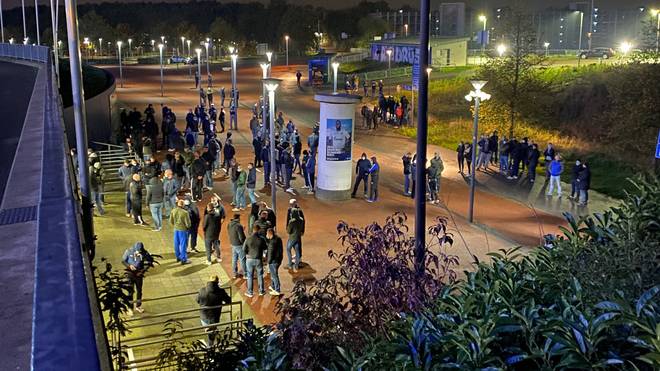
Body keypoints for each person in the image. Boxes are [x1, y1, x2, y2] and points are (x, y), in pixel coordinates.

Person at [196, 275, 232, 347]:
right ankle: (210, 346)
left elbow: (197, 300)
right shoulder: (221, 292)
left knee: (209, 329)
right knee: (212, 332)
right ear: (217, 282)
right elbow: (228, 301)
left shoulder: (202, 290)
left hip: (203, 315)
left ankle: (209, 331)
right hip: (214, 317)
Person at [122, 242, 155, 315]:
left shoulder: (145, 253)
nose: (138, 253)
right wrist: (129, 266)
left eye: (140, 251)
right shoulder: (128, 251)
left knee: (139, 290)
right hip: (130, 273)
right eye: (137, 251)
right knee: (130, 291)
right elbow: (123, 261)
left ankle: (138, 306)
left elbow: (150, 261)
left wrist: (144, 270)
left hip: (139, 274)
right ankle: (130, 308)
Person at [244, 225, 267, 297]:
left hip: (249, 259)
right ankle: (261, 291)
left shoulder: (248, 239)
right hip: (258, 259)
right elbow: (265, 247)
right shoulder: (261, 239)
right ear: (259, 230)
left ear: (253, 230)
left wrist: (248, 253)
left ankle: (250, 292)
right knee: (260, 275)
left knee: (250, 276)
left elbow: (244, 249)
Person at [170, 200, 192, 264]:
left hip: (176, 229)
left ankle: (178, 257)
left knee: (176, 244)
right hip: (183, 230)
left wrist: (175, 225)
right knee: (183, 245)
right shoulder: (185, 213)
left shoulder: (173, 211)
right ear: (183, 205)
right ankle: (183, 259)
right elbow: (188, 224)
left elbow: (171, 221)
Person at [286, 208, 305, 272]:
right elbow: (301, 228)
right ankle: (296, 265)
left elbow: (288, 231)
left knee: (288, 249)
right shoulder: (301, 220)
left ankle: (290, 264)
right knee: (297, 251)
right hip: (298, 237)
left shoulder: (292, 221)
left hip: (292, 237)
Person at [228, 213, 246, 278]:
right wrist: (244, 243)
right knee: (242, 259)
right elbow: (241, 237)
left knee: (234, 258)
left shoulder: (229, 224)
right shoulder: (239, 226)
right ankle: (245, 274)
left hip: (233, 244)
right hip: (239, 245)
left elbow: (230, 232)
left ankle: (235, 273)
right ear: (238, 218)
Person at [266, 228, 283, 296]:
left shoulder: (272, 243)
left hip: (273, 261)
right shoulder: (278, 238)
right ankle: (273, 286)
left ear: (269, 234)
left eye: (267, 234)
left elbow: (270, 254)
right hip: (278, 259)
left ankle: (277, 289)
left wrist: (268, 262)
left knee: (274, 275)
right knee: (273, 274)